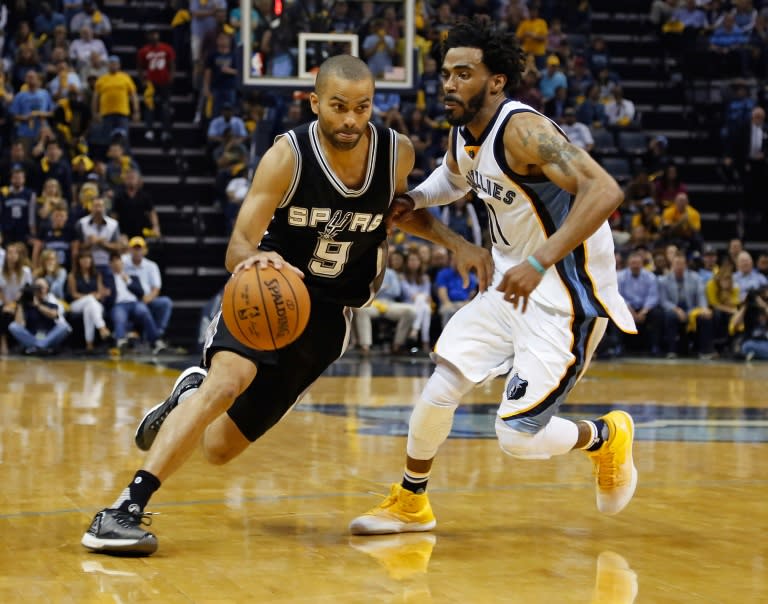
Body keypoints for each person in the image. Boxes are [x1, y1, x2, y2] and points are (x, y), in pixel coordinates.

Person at [80, 55, 491, 556]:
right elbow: (237, 247)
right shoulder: (287, 157)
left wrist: (458, 244)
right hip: (267, 292)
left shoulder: (395, 153)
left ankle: (186, 395)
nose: (349, 120)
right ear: (314, 102)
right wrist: (260, 261)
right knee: (227, 383)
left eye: (362, 108)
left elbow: (397, 213)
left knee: (218, 449)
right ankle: (122, 509)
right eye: (338, 107)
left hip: (328, 317)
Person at [349, 19, 638, 537]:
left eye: (464, 73)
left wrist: (540, 260)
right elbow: (453, 178)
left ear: (497, 80)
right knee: (443, 383)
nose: (449, 84)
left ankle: (603, 436)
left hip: (565, 296)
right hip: (510, 282)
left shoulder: (525, 131)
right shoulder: (466, 134)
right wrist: (414, 201)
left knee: (518, 437)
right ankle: (411, 503)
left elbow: (604, 191)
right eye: (446, 74)